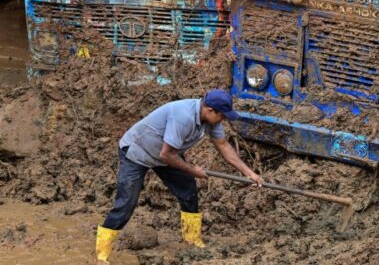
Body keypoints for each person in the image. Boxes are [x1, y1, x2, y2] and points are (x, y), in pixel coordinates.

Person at [95, 89, 262, 264]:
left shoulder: (211, 119)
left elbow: (223, 145)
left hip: (166, 154)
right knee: (126, 203)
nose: (224, 120)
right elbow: (166, 155)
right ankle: (102, 256)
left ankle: (192, 240)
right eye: (223, 116)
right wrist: (193, 170)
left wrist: (249, 173)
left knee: (188, 192)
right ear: (210, 110)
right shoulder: (183, 117)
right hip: (137, 152)